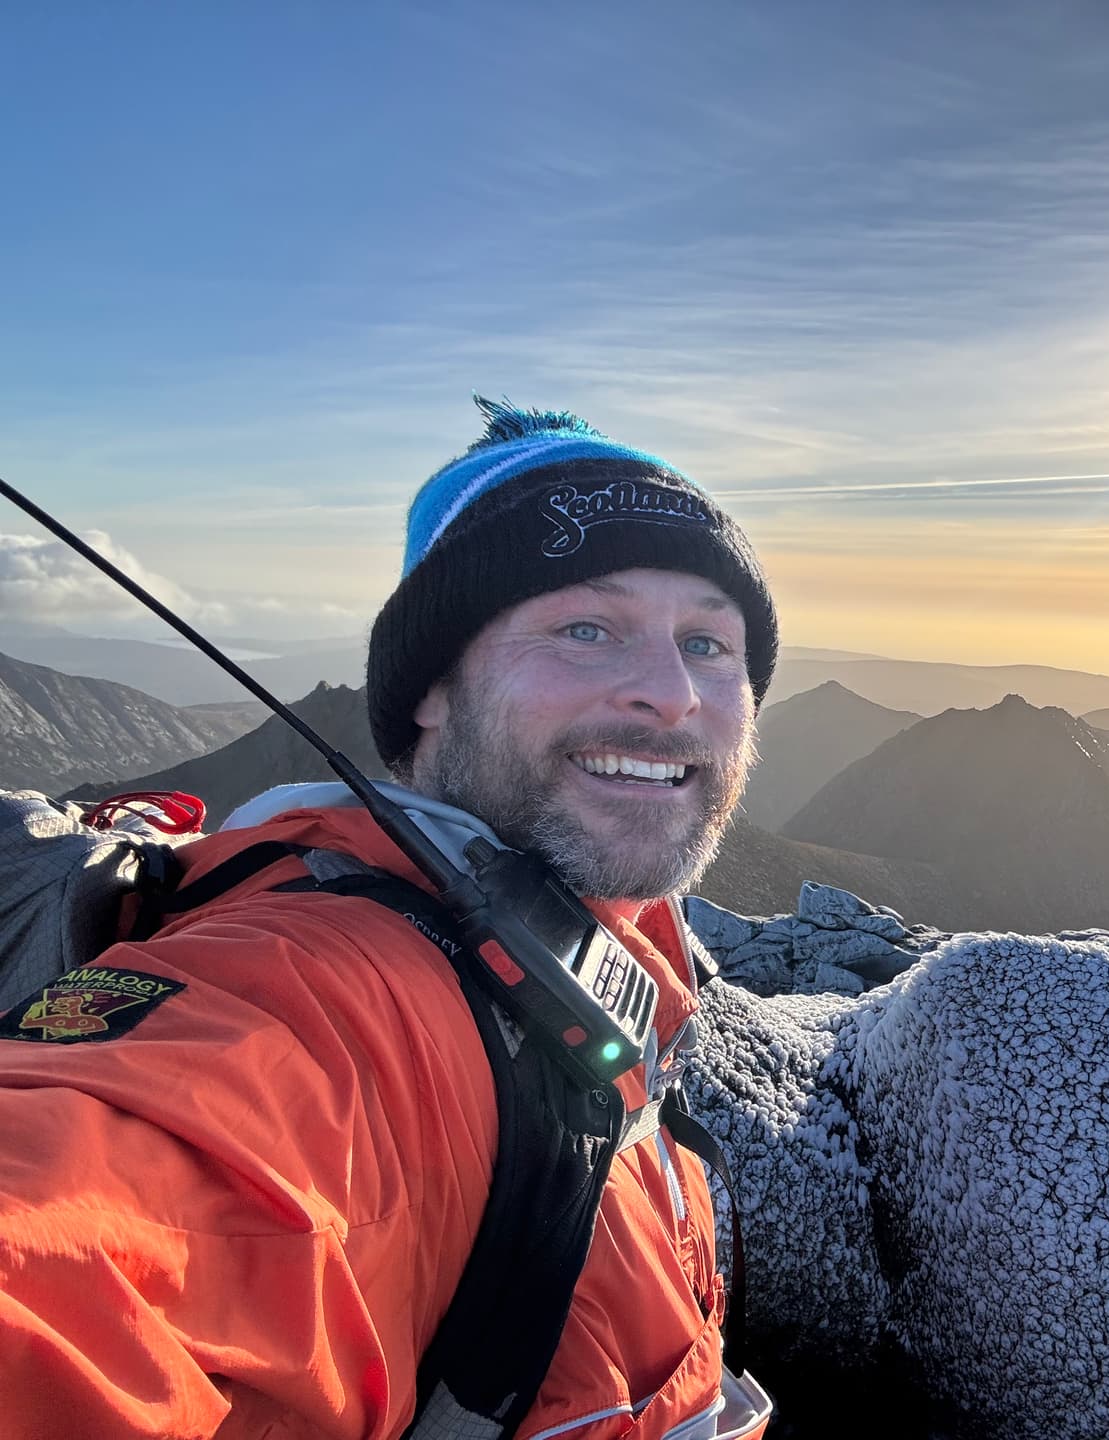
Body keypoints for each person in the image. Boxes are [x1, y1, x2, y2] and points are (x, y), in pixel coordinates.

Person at [0, 398, 779, 1439]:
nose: (672, 694)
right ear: (432, 693)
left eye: (709, 643)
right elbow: (77, 1239)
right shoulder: (331, 987)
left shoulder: (609, 956)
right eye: (585, 629)